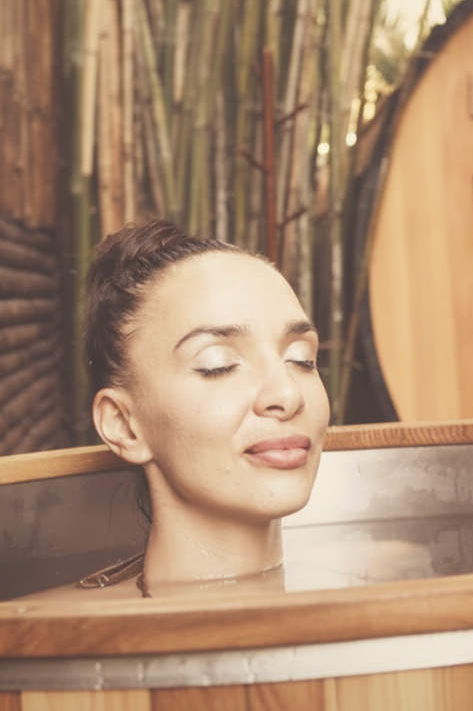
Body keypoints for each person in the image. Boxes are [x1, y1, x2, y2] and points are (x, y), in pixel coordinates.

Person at [56, 219, 329, 598]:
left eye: (302, 359)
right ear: (124, 425)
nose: (288, 393)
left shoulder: (385, 571)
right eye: (219, 364)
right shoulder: (50, 627)